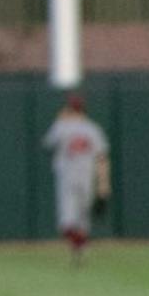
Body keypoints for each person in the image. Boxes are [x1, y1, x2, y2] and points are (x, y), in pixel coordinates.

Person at [40, 93, 111, 264]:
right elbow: (102, 158)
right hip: (87, 178)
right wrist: (104, 184)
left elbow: (47, 143)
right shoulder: (93, 129)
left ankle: (78, 247)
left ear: (69, 109)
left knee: (67, 221)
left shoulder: (61, 126)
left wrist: (59, 119)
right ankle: (80, 249)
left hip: (67, 177)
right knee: (83, 220)